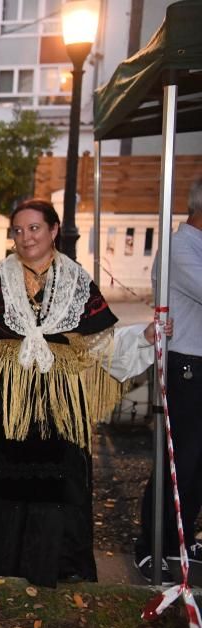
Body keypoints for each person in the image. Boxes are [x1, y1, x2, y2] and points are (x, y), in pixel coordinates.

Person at [0, 199, 166, 587]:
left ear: (54, 231)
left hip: (57, 396)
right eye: (18, 230)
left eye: (34, 228)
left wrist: (144, 336)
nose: (25, 238)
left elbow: (99, 345)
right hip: (1, 394)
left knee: (53, 477)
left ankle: (51, 560)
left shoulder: (76, 283)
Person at [134, 177, 202, 582]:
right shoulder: (181, 248)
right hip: (185, 363)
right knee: (180, 458)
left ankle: (183, 536)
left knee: (199, 460)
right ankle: (151, 543)